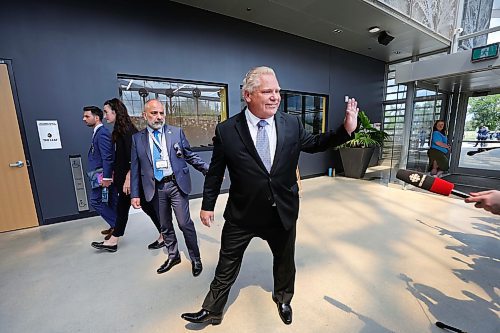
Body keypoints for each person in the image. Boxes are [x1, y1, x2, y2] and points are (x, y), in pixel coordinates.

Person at [181, 66, 358, 326]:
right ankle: (213, 309)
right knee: (226, 262)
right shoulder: (227, 130)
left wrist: (345, 129)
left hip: (281, 211)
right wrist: (208, 205)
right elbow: (215, 173)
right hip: (242, 214)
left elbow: (317, 143)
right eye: (267, 91)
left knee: (285, 261)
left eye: (277, 90)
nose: (275, 96)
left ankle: (284, 298)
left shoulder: (291, 124)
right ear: (248, 95)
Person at [130, 99, 209, 276]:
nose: (159, 117)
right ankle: (173, 256)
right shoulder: (137, 139)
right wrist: (134, 194)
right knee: (165, 226)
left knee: (184, 223)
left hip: (176, 184)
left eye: (161, 113)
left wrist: (208, 170)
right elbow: (135, 169)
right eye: (154, 113)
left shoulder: (176, 132)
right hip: (155, 188)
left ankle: (195, 257)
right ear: (145, 115)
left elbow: (189, 155)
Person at [91, 98, 162, 252]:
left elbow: (135, 158)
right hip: (126, 180)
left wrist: (129, 180)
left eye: (106, 112)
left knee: (147, 207)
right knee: (124, 208)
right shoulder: (120, 129)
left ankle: (165, 235)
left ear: (115, 112)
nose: (104, 116)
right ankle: (114, 240)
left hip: (131, 180)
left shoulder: (127, 131)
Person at [83, 106, 117, 236]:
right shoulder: (98, 132)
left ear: (96, 118)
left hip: (102, 175)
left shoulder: (102, 133)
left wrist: (106, 177)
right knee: (110, 200)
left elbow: (107, 157)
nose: (84, 119)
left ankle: (116, 225)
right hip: (100, 174)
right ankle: (114, 227)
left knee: (95, 201)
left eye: (87, 116)